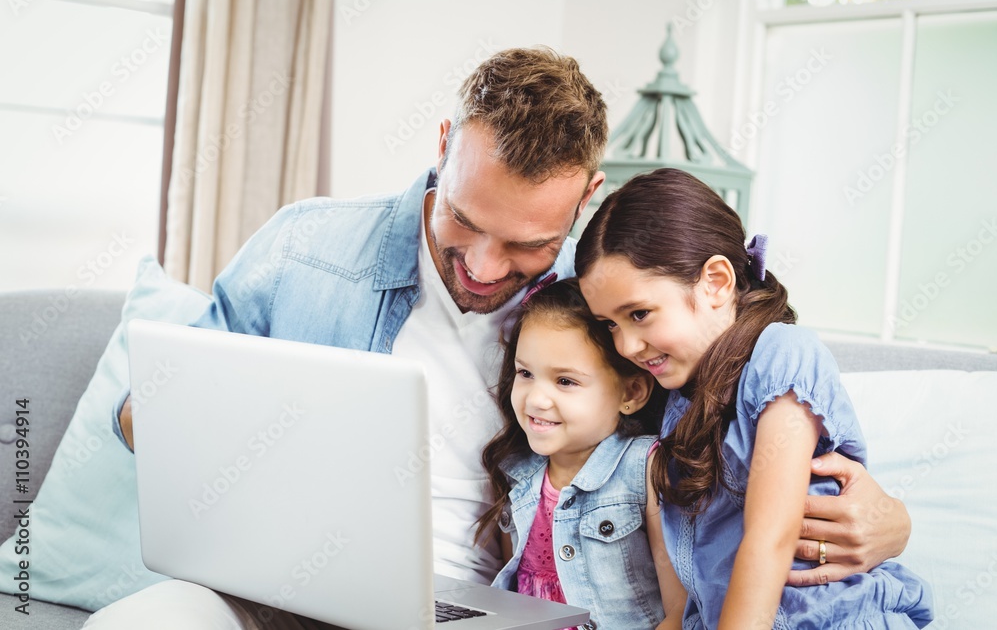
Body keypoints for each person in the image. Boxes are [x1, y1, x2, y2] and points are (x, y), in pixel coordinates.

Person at [90, 49, 910, 629]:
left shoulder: (606, 321)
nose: (483, 266)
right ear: (444, 145)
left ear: (586, 197)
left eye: (525, 245)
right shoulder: (306, 249)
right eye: (465, 220)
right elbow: (148, 406)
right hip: (263, 594)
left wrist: (891, 519)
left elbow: (732, 453)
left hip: (479, 612)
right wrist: (177, 423)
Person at [576, 168, 934, 630]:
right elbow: (697, 579)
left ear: (717, 283)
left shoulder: (782, 355)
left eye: (639, 314)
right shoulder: (679, 400)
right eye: (610, 324)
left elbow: (771, 536)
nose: (625, 346)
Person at [476, 278, 684, 628]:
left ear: (631, 392)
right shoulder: (518, 475)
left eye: (566, 381)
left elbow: (679, 611)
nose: (536, 400)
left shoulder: (644, 469)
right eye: (526, 373)